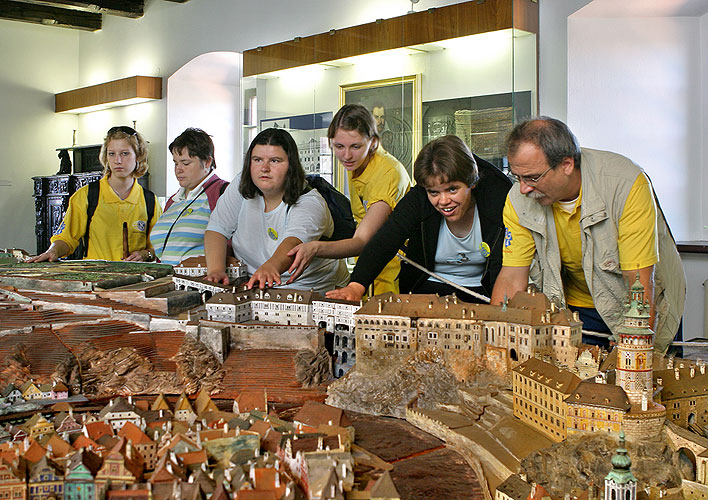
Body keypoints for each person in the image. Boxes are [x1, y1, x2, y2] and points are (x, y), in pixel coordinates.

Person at [490, 117, 685, 353]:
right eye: (517, 177)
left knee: (640, 381)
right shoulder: (518, 199)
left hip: (638, 306)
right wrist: (496, 345)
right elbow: (512, 277)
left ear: (566, 164)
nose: (523, 188)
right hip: (575, 311)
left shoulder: (625, 184)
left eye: (532, 177)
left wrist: (632, 346)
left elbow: (639, 281)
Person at [327, 135, 511, 303]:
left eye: (452, 189)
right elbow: (386, 239)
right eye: (434, 192)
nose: (444, 201)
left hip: (483, 291)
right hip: (425, 288)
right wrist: (356, 286)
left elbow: (506, 265)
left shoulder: (498, 198)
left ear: (472, 181)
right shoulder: (419, 198)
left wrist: (498, 309)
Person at [204, 128, 349, 293]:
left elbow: (292, 245)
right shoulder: (240, 184)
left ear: (291, 166)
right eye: (257, 160)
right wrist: (216, 271)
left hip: (309, 289)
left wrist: (270, 267)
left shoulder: (311, 203)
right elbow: (217, 228)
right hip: (256, 283)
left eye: (275, 161)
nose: (264, 168)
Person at [287, 104, 411, 295]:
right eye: (339, 146)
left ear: (374, 142)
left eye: (355, 146)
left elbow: (362, 240)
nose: (346, 156)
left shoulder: (388, 173)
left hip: (394, 269)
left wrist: (315, 247)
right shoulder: (358, 164)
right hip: (370, 264)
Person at [29, 126, 160, 262]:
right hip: (97, 278)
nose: (117, 160)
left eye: (125, 153)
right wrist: (53, 251)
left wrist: (146, 254)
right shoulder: (86, 195)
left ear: (138, 156)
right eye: (112, 154)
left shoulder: (150, 201)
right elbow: (66, 237)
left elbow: (160, 247)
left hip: (137, 279)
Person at [149, 128, 228, 266]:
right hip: (167, 281)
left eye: (185, 163)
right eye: (176, 163)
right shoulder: (173, 200)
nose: (178, 169)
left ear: (208, 162)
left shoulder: (222, 194)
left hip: (202, 282)